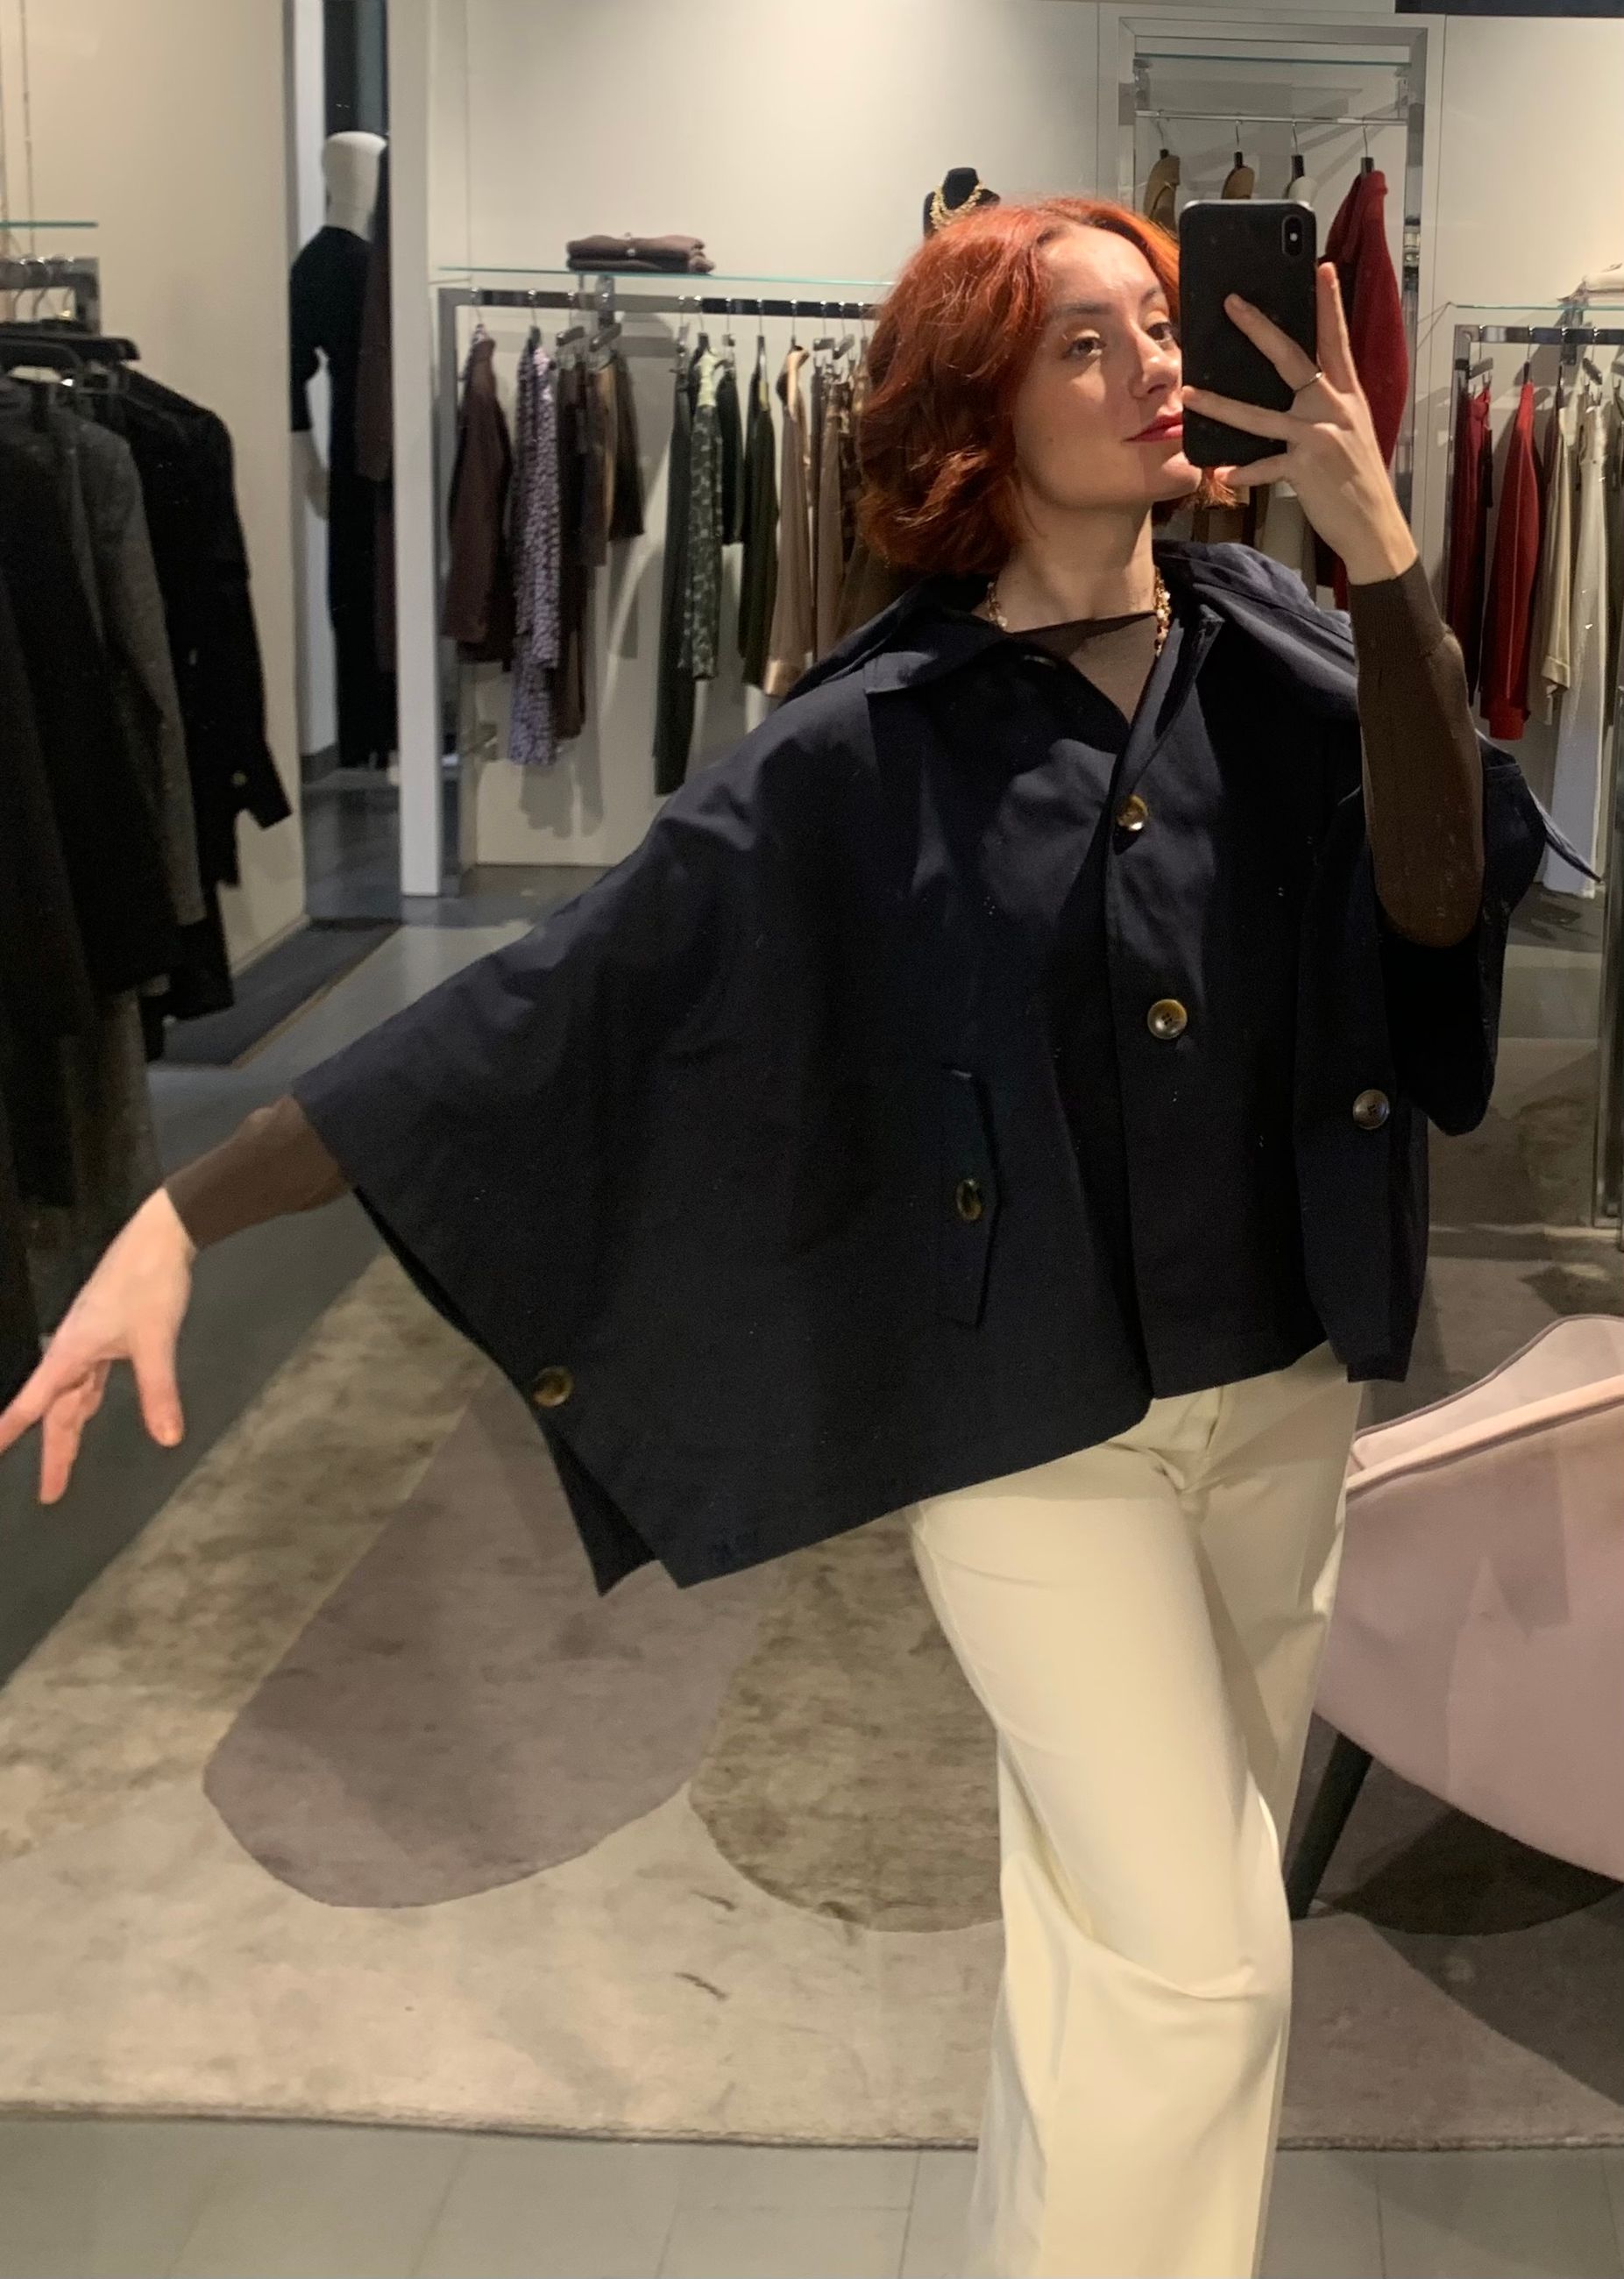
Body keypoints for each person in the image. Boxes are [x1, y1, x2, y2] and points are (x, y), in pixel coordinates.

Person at [0, 199, 1563, 2277]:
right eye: (1082, 342)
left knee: (1112, 1942)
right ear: (979, 412)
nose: (1150, 367)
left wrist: (1381, 556)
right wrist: (186, 1207)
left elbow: (1445, 894)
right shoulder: (874, 736)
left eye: (1157, 323)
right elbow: (559, 997)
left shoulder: (1279, 647)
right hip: (1035, 1434)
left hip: (1279, 1395)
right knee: (1200, 1968)